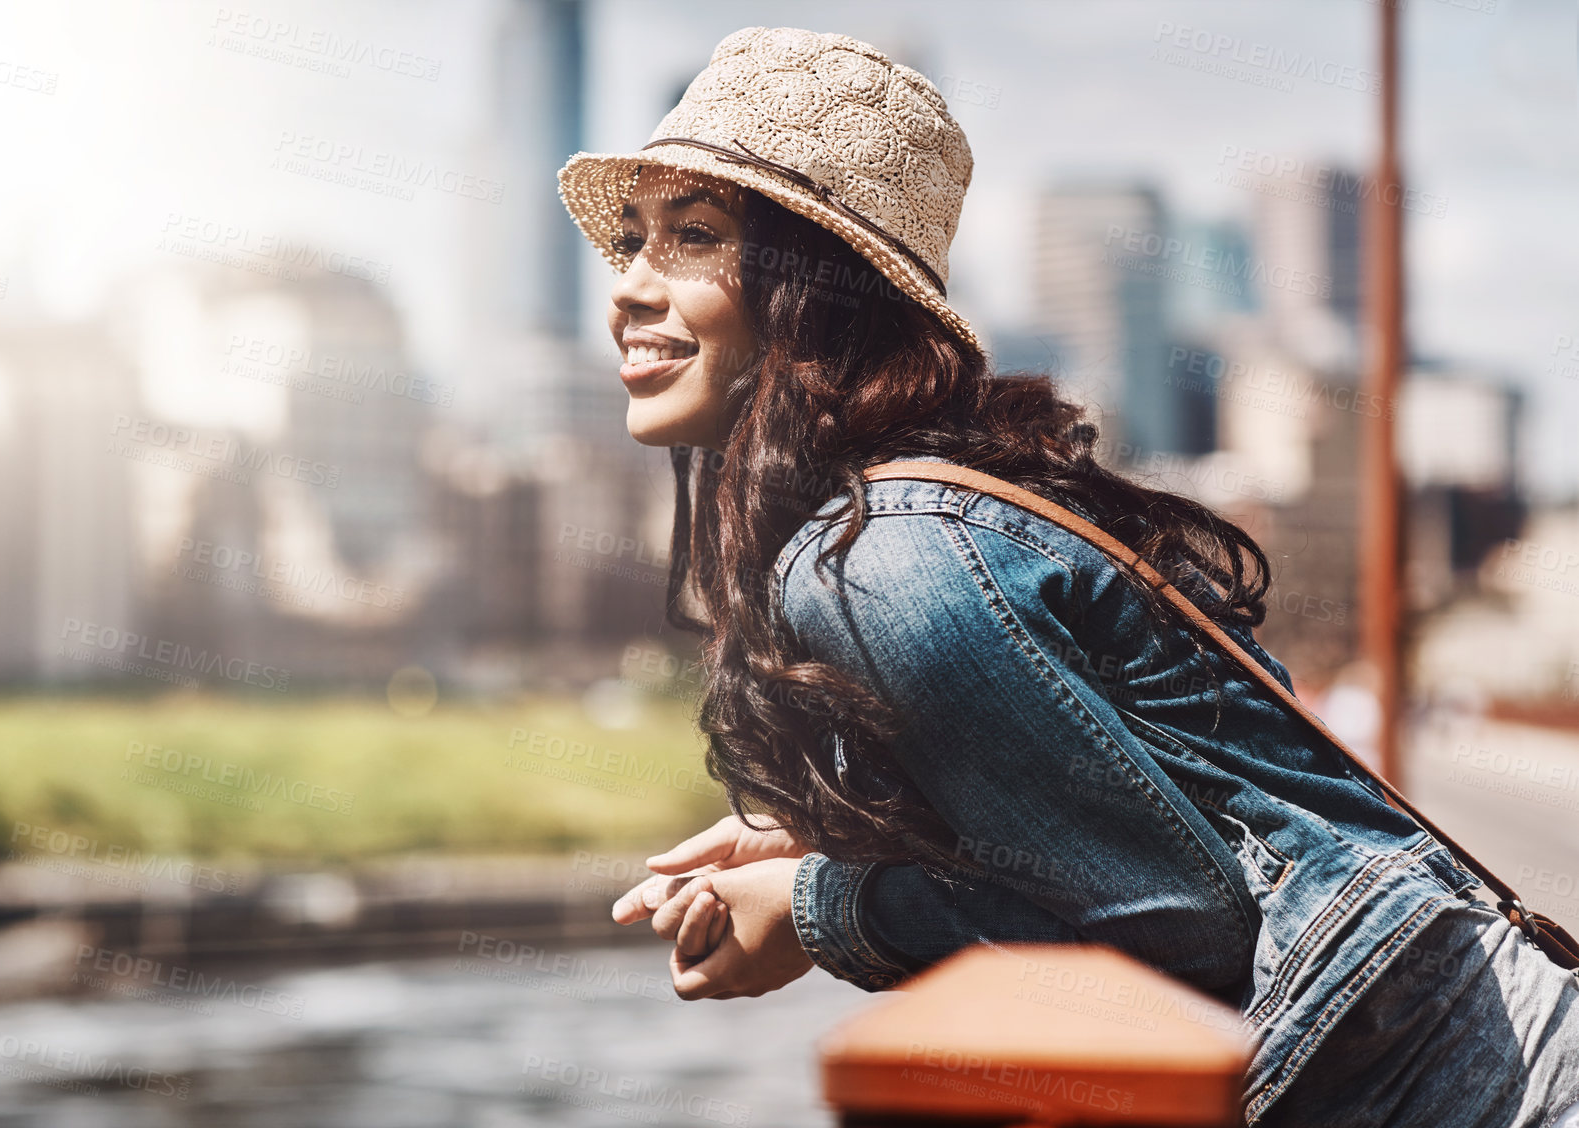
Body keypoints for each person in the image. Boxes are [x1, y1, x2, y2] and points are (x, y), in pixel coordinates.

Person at [556, 25, 1579, 1127]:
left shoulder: (872, 560)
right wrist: (828, 842)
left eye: (694, 237)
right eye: (635, 240)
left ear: (816, 289)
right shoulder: (937, 511)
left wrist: (820, 910)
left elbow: (1176, 924)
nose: (628, 288)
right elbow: (1159, 823)